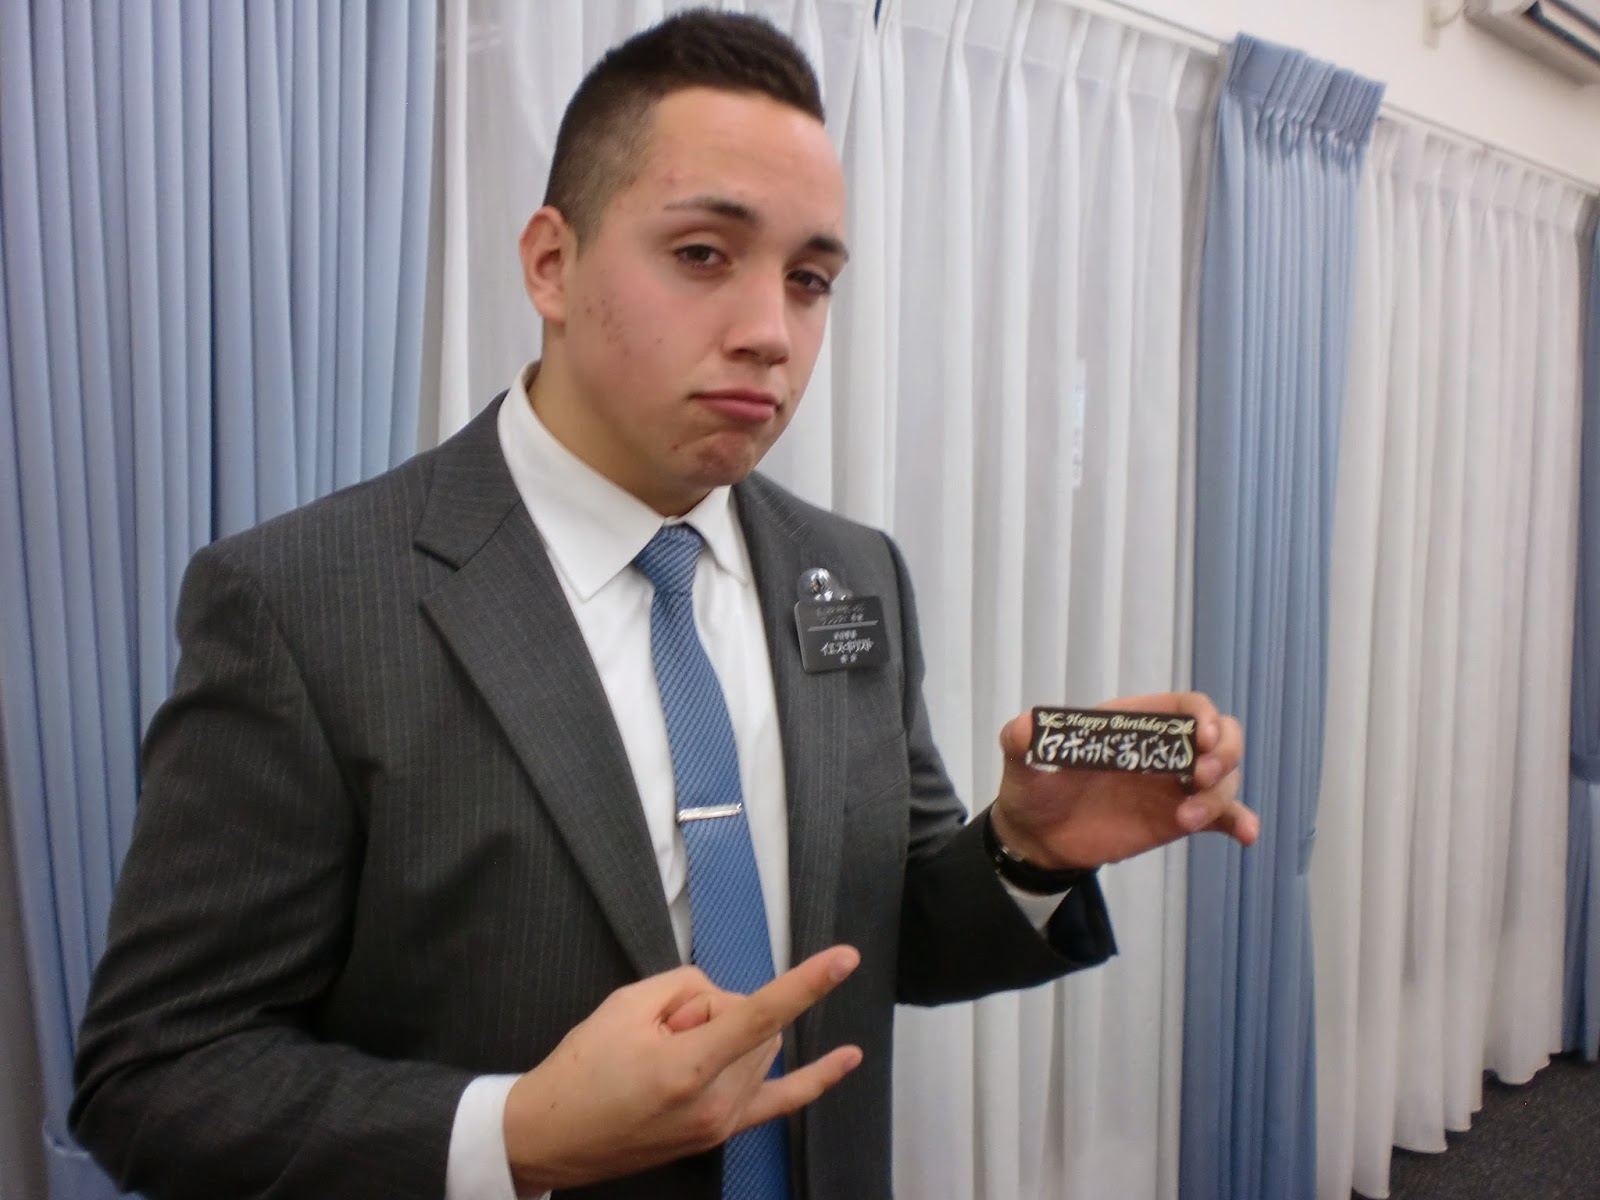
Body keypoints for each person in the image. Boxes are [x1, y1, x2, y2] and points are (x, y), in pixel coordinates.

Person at [70, 10, 1256, 1200]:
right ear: (551, 262)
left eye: (809, 280)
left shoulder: (852, 574)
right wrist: (515, 1133)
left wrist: (1024, 853)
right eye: (700, 254)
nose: (769, 334)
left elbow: (880, 937)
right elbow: (155, 1075)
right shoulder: (306, 603)